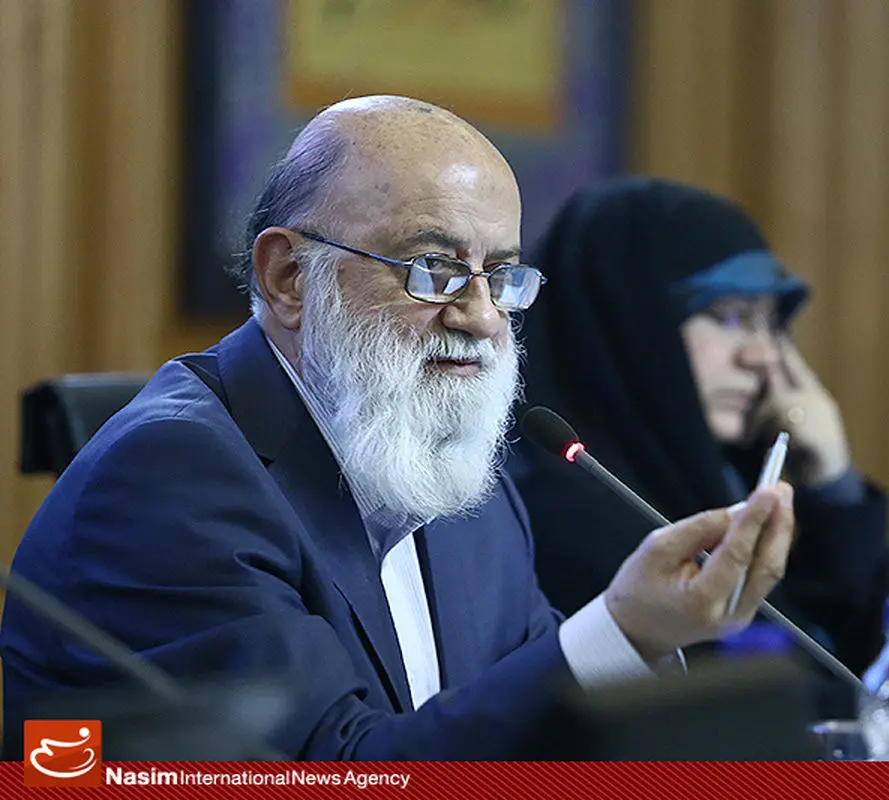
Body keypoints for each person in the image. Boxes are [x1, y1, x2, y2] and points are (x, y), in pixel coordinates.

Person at [0, 99, 796, 760]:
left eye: (502, 276)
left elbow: (523, 728)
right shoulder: (169, 481)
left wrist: (653, 646)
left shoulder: (457, 478)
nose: (482, 316)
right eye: (434, 269)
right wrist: (621, 630)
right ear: (288, 277)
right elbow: (335, 771)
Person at [508, 177, 889, 708]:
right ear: (632, 325)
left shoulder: (726, 471)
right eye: (731, 317)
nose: (763, 355)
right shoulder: (562, 514)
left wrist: (834, 488)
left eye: (772, 322)